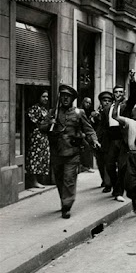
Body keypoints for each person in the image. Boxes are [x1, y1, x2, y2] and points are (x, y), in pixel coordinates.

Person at [40, 84, 100, 219]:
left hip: (72, 153)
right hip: (56, 152)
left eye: (68, 97)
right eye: (63, 96)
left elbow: (88, 129)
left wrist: (94, 140)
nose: (65, 99)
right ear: (60, 98)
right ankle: (64, 200)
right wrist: (50, 123)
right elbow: (42, 128)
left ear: (72, 99)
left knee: (69, 180)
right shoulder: (52, 112)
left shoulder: (79, 113)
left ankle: (66, 206)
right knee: (60, 180)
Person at [102, 71, 136, 202]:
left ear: (123, 94)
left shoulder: (126, 106)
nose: (118, 94)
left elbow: (134, 96)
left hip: (123, 139)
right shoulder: (107, 109)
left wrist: (132, 81)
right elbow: (103, 126)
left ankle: (118, 192)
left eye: (121, 92)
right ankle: (117, 184)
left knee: (123, 166)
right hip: (111, 140)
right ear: (113, 94)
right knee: (109, 165)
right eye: (116, 92)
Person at [26, 90, 51, 188]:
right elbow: (35, 123)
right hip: (36, 137)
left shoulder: (44, 109)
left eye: (47, 97)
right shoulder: (34, 109)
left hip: (44, 136)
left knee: (42, 158)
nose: (46, 99)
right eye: (43, 96)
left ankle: (39, 180)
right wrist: (47, 123)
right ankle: (33, 181)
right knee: (35, 158)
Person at [92, 91, 113, 190]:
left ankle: (108, 183)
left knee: (108, 162)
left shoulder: (113, 112)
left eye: (109, 101)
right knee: (100, 162)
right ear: (101, 102)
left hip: (109, 141)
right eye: (105, 101)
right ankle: (104, 180)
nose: (107, 102)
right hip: (98, 141)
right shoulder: (96, 114)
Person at [79, 97, 96, 173]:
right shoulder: (80, 111)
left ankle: (85, 166)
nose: (88, 104)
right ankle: (85, 166)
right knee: (86, 147)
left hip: (85, 133)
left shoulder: (87, 111)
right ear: (83, 102)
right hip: (80, 133)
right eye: (87, 102)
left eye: (89, 103)